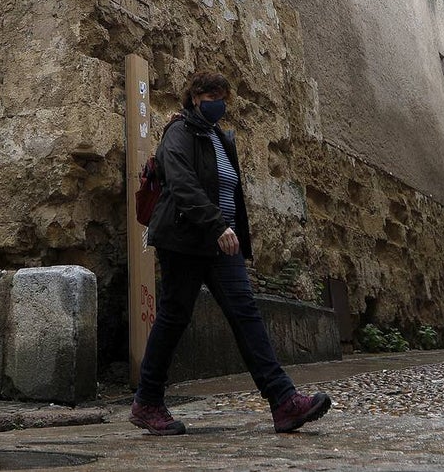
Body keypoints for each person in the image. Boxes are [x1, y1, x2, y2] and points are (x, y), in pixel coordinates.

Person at [129, 71, 331, 435]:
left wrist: (231, 230)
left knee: (245, 313)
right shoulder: (179, 132)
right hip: (185, 239)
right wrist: (215, 225)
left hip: (223, 243)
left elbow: (229, 190)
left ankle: (284, 402)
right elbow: (182, 183)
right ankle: (147, 401)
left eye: (222, 96)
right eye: (210, 96)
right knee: (174, 317)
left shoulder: (221, 139)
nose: (217, 102)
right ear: (193, 98)